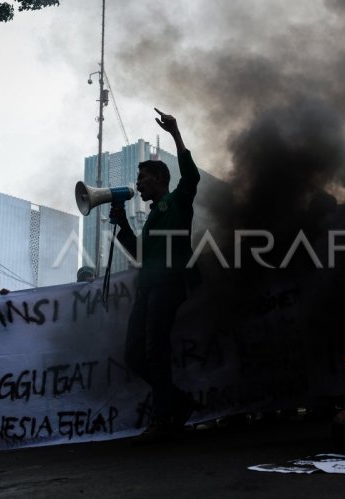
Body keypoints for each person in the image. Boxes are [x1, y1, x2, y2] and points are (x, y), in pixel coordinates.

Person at [110, 108, 201, 444]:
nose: (138, 184)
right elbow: (139, 254)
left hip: (169, 285)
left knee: (155, 351)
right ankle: (180, 402)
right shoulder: (149, 220)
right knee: (135, 355)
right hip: (147, 288)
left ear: (160, 179)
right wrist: (121, 225)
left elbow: (191, 176)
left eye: (143, 178)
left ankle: (164, 418)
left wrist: (175, 133)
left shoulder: (178, 202)